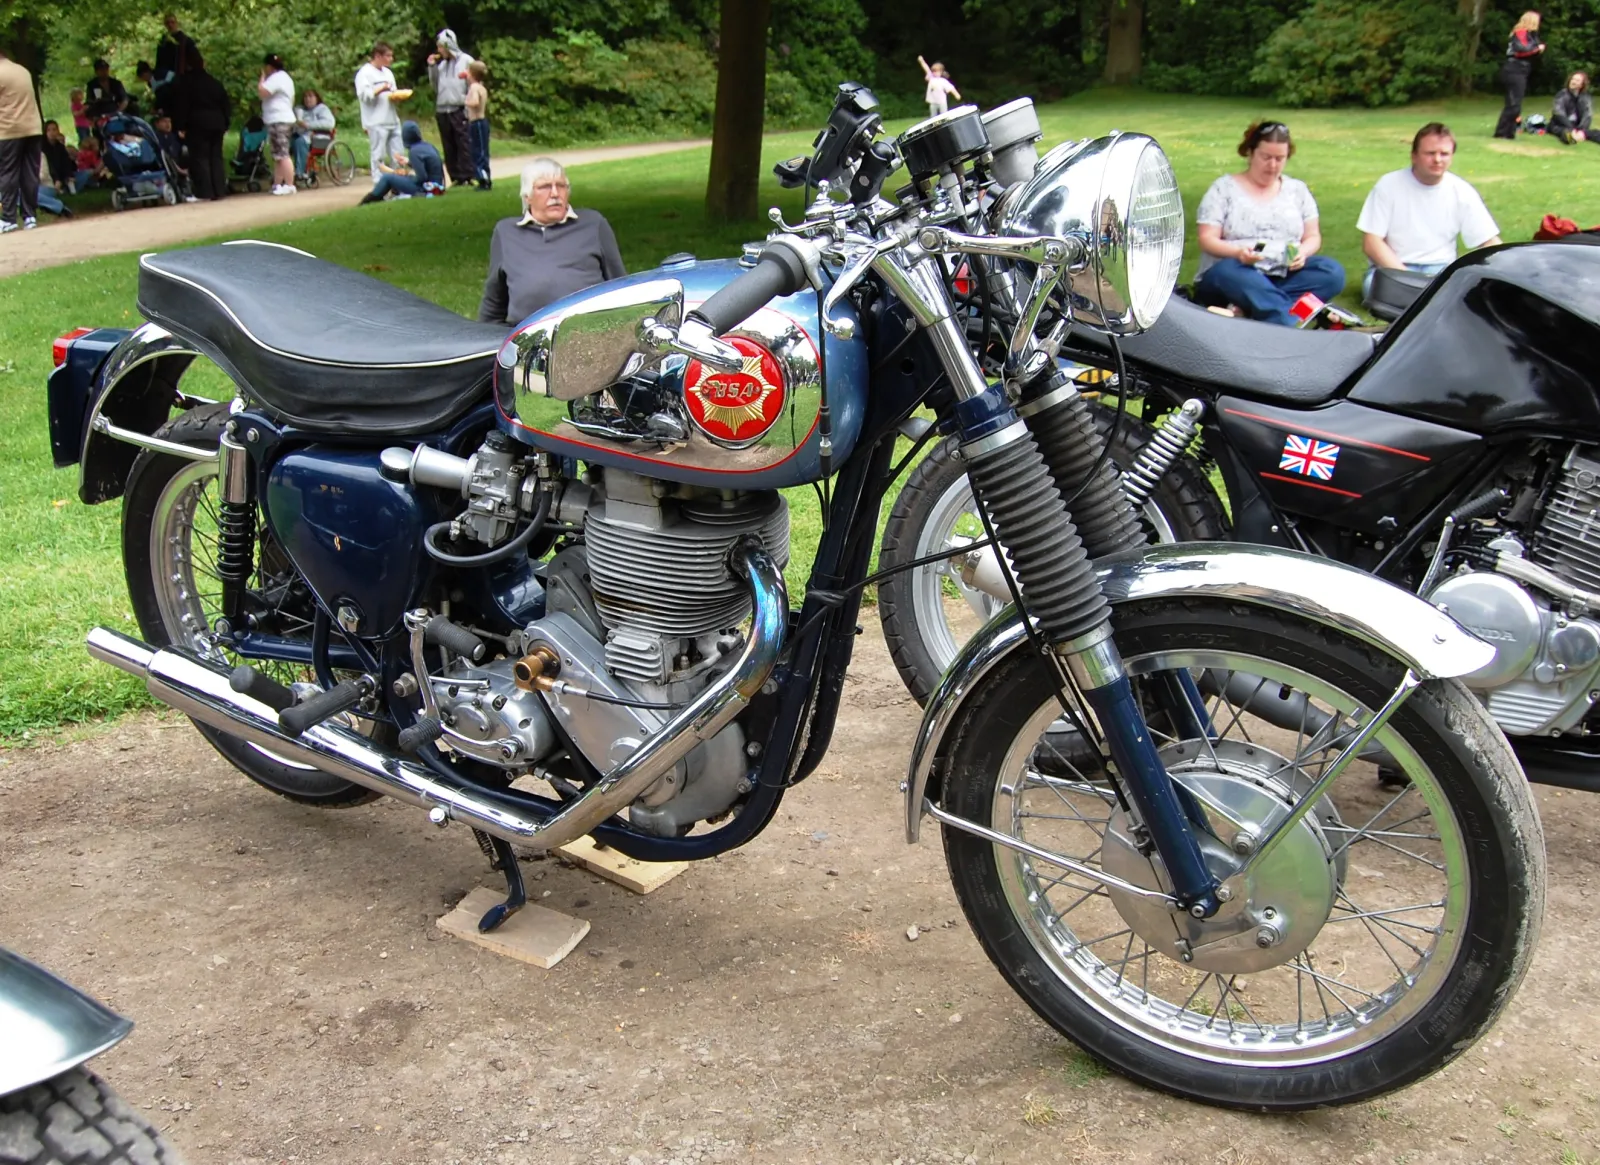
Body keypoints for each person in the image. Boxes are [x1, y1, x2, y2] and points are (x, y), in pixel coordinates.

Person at [1193, 120, 1345, 327]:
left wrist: (1303, 252)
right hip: (1236, 272)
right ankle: (1288, 319)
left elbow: (1312, 236)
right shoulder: (1223, 189)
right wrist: (1238, 254)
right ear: (1250, 153)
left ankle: (1252, 311)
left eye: (1280, 159)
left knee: (1331, 272)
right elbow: (1207, 239)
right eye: (1266, 157)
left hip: (1282, 272)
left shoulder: (1297, 190)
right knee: (1229, 272)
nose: (1273, 165)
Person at [1356, 122, 1501, 297]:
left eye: (1444, 154)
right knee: (1376, 287)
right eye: (1430, 153)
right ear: (1414, 156)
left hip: (1439, 270)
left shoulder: (1462, 191)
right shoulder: (1387, 185)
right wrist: (1407, 278)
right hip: (1393, 269)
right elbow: (1372, 242)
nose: (1438, 160)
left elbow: (1488, 241)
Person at [478, 158, 626, 324]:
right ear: (527, 197)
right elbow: (494, 301)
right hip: (528, 336)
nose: (555, 194)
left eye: (561, 186)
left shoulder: (593, 224)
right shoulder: (506, 232)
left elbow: (619, 286)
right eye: (545, 187)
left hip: (587, 331)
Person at [166, 50, 229, 200]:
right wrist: (225, 122)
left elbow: (183, 106)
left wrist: (180, 125)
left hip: (197, 123)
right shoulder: (214, 83)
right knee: (216, 157)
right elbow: (225, 104)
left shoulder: (186, 83)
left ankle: (205, 191)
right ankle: (219, 190)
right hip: (217, 122)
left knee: (201, 157)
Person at [0, 47, 43, 233]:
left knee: (8, 173)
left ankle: (8, 218)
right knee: (29, 173)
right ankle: (30, 216)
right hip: (33, 128)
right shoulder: (22, 70)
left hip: (9, 130)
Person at [428, 29, 476, 186]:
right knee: (448, 145)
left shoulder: (466, 61)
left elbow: (473, 84)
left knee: (463, 142)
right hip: (443, 109)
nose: (439, 51)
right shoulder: (441, 65)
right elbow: (435, 86)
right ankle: (455, 176)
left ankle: (467, 175)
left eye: (441, 47)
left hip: (459, 107)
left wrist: (470, 105)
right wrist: (432, 68)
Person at [355, 42, 405, 186]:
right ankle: (379, 184)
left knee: (398, 153)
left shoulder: (388, 73)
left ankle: (399, 183)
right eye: (388, 56)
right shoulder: (365, 73)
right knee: (378, 155)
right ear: (378, 56)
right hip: (376, 121)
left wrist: (397, 97)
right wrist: (380, 89)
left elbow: (393, 92)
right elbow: (365, 96)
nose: (391, 59)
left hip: (392, 119)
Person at [358, 120, 443, 202]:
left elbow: (422, 177)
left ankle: (368, 201)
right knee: (400, 178)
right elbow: (428, 168)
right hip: (437, 186)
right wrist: (408, 163)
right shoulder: (428, 146)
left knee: (387, 178)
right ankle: (385, 196)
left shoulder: (414, 151)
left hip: (427, 189)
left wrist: (406, 177)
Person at [1494, 11, 1544, 139]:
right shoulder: (1521, 32)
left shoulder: (1531, 35)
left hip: (1521, 70)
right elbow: (1521, 50)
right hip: (1514, 69)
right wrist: (1537, 49)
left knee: (1514, 103)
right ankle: (1502, 132)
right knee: (1514, 103)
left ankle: (1508, 132)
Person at [258, 53, 296, 196]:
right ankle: (278, 184)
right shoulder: (286, 78)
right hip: (281, 118)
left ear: (268, 67)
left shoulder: (275, 78)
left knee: (283, 153)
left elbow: (262, 92)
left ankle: (290, 184)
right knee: (278, 154)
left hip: (278, 119)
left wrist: (261, 79)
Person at [291, 88, 335, 183]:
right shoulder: (300, 110)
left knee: (300, 142)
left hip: (319, 137)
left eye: (310, 96)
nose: (308, 99)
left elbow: (329, 123)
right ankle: (285, 174)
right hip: (302, 135)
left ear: (316, 98)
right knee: (286, 142)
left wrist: (308, 125)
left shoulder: (322, 109)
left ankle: (300, 173)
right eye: (306, 97)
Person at [151, 112, 195, 201]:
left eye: (169, 122)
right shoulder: (156, 138)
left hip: (178, 161)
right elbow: (165, 156)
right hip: (167, 164)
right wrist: (179, 169)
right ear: (157, 124)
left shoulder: (172, 136)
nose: (168, 124)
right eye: (164, 122)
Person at [154, 13, 198, 98]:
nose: (170, 25)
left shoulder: (186, 40)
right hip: (167, 80)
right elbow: (159, 62)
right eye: (167, 23)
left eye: (172, 22)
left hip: (184, 79)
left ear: (176, 23)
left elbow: (196, 59)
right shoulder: (162, 42)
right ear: (165, 25)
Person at [464, 60, 491, 190]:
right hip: (481, 122)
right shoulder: (482, 87)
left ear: (472, 74)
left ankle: (483, 178)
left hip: (477, 122)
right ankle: (485, 177)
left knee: (478, 152)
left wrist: (465, 101)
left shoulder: (474, 88)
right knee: (482, 151)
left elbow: (475, 102)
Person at [1550, 71, 1596, 144]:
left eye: (1577, 80)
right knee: (1567, 135)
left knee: (1595, 133)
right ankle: (1573, 138)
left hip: (1577, 126)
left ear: (1582, 85)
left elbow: (1587, 115)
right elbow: (1558, 113)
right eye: (1572, 79)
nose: (1573, 82)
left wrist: (1581, 130)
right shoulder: (1561, 94)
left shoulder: (1585, 97)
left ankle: (1579, 135)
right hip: (1561, 126)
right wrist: (1572, 129)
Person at [42, 120, 75, 193]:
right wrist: (56, 179)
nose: (52, 133)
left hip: (62, 175)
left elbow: (66, 162)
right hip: (48, 177)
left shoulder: (60, 147)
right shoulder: (42, 147)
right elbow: (47, 166)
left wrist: (69, 175)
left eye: (54, 129)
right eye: (49, 130)